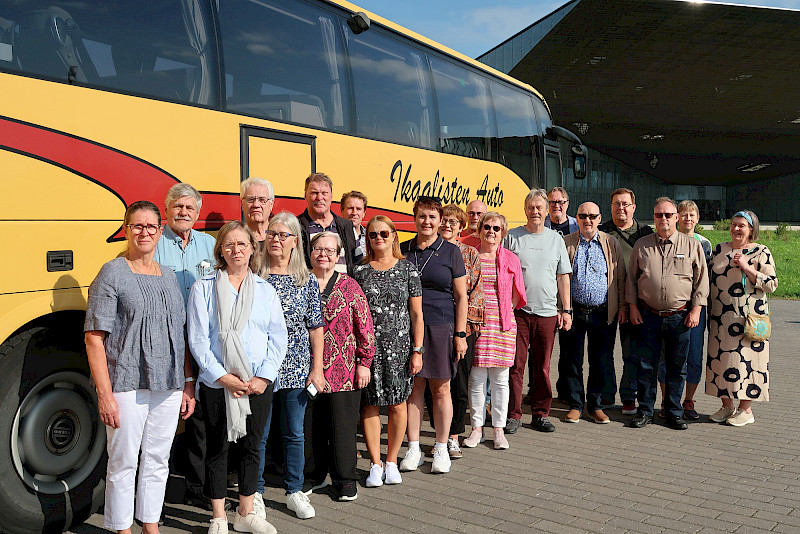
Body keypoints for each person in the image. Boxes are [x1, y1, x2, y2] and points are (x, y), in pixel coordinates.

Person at [84, 201, 194, 534]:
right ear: (127, 229)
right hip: (126, 383)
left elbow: (181, 334)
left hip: (169, 384)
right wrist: (105, 395)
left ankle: (150, 525)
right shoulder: (112, 272)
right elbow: (94, 337)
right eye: (137, 226)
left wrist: (187, 382)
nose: (144, 232)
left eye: (151, 226)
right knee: (123, 463)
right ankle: (121, 528)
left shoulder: (170, 276)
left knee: (158, 461)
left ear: (161, 231)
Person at [187, 221, 287, 534]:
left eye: (242, 244)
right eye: (229, 245)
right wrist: (221, 376)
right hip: (218, 385)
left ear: (251, 249)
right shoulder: (203, 288)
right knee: (217, 448)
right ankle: (218, 516)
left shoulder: (265, 290)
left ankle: (245, 513)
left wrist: (264, 377)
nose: (236, 250)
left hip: (257, 385)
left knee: (252, 447)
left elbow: (277, 338)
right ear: (220, 251)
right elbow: (198, 339)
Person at [256, 212, 325, 519]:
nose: (276, 240)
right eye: (272, 234)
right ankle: (254, 491)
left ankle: (294, 490)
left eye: (283, 235)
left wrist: (317, 368)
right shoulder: (254, 274)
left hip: (297, 364)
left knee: (294, 432)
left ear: (295, 241)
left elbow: (315, 326)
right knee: (258, 432)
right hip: (260, 367)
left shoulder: (306, 279)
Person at [154, 183, 216, 510]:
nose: (183, 212)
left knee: (199, 421)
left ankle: (196, 487)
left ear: (198, 212)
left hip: (201, 340)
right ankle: (155, 498)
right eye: (178, 206)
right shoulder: (155, 243)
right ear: (167, 211)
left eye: (190, 208)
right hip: (165, 340)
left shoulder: (209, 244)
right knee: (163, 420)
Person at [398, 197, 468, 475]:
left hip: (441, 325)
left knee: (441, 388)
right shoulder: (403, 250)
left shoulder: (451, 252)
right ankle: (413, 447)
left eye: (432, 217)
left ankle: (441, 446)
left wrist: (460, 334)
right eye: (421, 216)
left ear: (441, 221)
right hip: (408, 326)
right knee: (414, 388)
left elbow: (461, 296)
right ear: (414, 219)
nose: (426, 222)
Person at [626, 197, 709, 430]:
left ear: (676, 217)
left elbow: (702, 281)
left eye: (668, 215)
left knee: (676, 367)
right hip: (647, 315)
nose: (663, 219)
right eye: (658, 215)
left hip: (680, 316)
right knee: (646, 366)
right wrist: (632, 307)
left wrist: (696, 309)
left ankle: (673, 411)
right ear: (654, 218)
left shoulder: (692, 245)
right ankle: (645, 411)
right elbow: (632, 280)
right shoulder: (642, 245)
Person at [354, 216, 424, 488]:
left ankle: (392, 460)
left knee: (397, 404)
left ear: (394, 236)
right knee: (370, 404)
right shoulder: (359, 271)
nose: (379, 239)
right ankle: (375, 463)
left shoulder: (408, 270)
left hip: (400, 348)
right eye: (372, 235)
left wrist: (417, 350)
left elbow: (417, 314)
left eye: (384, 233)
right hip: (369, 350)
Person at [307, 231, 375, 501]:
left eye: (329, 250)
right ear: (310, 253)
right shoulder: (302, 283)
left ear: (338, 256)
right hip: (308, 371)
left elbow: (365, 328)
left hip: (344, 371)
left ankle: (345, 480)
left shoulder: (349, 286)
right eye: (318, 249)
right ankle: (312, 476)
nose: (323, 254)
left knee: (342, 429)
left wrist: (364, 363)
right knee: (311, 427)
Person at [504, 189, 572, 434]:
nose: (535, 211)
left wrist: (566, 310)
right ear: (525, 210)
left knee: (542, 367)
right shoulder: (512, 237)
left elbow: (563, 277)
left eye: (539, 208)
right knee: (516, 365)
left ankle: (541, 413)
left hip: (547, 313)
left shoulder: (556, 240)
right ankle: (513, 414)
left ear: (546, 211)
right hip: (517, 314)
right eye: (531, 207)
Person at [706, 210, 777, 426]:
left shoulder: (761, 252)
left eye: (742, 226)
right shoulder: (719, 249)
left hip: (750, 319)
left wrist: (747, 267)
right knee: (721, 362)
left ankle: (746, 410)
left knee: (748, 363)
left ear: (752, 230)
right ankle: (727, 406)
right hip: (720, 318)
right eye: (734, 224)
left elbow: (771, 284)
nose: (736, 229)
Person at [463, 212, 525, 450]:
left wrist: (504, 313)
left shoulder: (511, 259)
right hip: (476, 325)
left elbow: (518, 292)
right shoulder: (471, 256)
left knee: (500, 380)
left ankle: (498, 429)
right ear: (479, 230)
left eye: (496, 228)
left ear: (503, 232)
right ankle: (476, 428)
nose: (491, 231)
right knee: (476, 379)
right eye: (486, 227)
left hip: (502, 326)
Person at [560, 202, 626, 425]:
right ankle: (576, 405)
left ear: (599, 219)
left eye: (592, 216)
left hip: (602, 312)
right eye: (583, 216)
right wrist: (564, 309)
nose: (587, 220)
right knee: (572, 360)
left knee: (601, 360)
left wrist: (622, 308)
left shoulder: (610, 243)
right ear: (576, 218)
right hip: (574, 311)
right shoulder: (567, 242)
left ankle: (595, 405)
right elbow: (560, 277)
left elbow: (620, 278)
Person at [599, 188, 654, 414]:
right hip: (606, 301)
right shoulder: (602, 232)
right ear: (610, 207)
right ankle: (606, 394)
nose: (620, 208)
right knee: (603, 352)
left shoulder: (645, 233)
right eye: (616, 204)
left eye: (625, 204)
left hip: (635, 303)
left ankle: (629, 397)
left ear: (633, 207)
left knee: (631, 353)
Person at [656, 200, 712, 420]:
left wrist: (698, 307)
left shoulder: (705, 244)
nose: (688, 219)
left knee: (694, 356)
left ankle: (688, 400)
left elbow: (704, 280)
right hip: (671, 310)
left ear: (697, 219)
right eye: (684, 215)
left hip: (695, 309)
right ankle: (665, 400)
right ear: (677, 217)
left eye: (692, 215)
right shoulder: (666, 239)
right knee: (666, 356)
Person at [437, 204, 485, 458]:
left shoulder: (469, 255)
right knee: (436, 383)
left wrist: (465, 331)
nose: (447, 225)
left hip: (463, 330)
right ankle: (439, 434)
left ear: (461, 227)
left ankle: (454, 435)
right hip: (434, 327)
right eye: (443, 220)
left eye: (453, 222)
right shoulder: (430, 253)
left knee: (460, 384)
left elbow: (476, 294)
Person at [297, 173, 357, 274]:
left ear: (331, 196)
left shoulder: (347, 227)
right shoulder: (296, 227)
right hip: (311, 288)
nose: (319, 198)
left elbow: (357, 262)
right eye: (314, 193)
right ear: (305, 196)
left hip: (343, 288)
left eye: (324, 193)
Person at [240, 177, 275, 249]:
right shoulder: (237, 239)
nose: (256, 205)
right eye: (250, 199)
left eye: (262, 200)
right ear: (242, 205)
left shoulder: (280, 238)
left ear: (271, 205)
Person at [341, 191, 368, 264]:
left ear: (364, 213)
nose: (354, 213)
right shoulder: (334, 236)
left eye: (358, 209)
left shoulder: (371, 238)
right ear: (342, 211)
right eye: (350, 208)